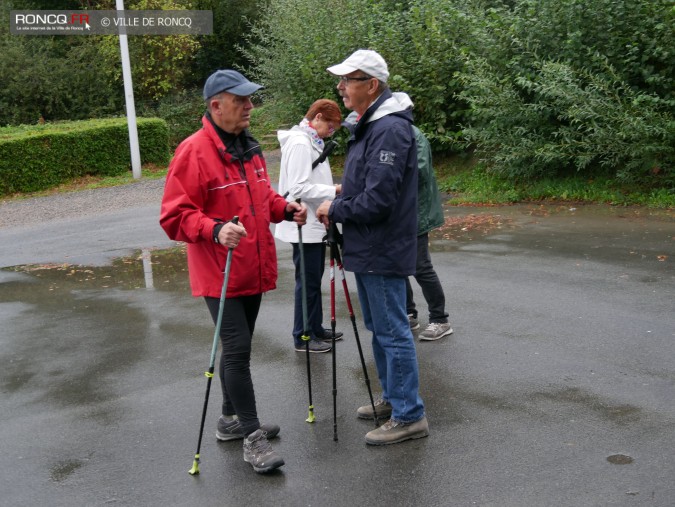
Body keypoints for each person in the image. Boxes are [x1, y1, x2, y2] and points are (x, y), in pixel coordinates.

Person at [159, 69, 307, 474]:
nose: (249, 106)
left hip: (251, 269)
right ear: (215, 105)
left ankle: (230, 419)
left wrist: (284, 208)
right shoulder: (193, 151)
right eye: (240, 100)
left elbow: (262, 197)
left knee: (237, 348)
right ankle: (252, 437)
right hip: (217, 272)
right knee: (238, 349)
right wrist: (213, 228)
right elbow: (174, 216)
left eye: (249, 99)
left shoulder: (249, 148)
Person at [316, 49, 429, 445]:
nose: (340, 86)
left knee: (393, 330)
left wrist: (336, 206)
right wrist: (344, 194)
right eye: (342, 79)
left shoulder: (388, 129)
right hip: (369, 245)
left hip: (381, 245)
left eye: (349, 79)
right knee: (379, 328)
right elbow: (368, 186)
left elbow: (379, 201)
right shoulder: (369, 123)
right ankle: (395, 399)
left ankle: (409, 415)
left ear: (372, 85)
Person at [275, 99, 344, 353]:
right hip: (302, 224)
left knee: (313, 281)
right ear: (316, 118)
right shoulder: (300, 143)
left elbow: (312, 181)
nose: (331, 131)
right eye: (330, 125)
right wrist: (335, 190)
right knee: (307, 281)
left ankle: (314, 327)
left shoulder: (312, 141)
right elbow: (298, 188)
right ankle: (302, 336)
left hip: (315, 222)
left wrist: (326, 205)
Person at [397, 95, 453, 341]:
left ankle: (440, 320)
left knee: (421, 267)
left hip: (416, 212)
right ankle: (409, 314)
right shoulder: (398, 135)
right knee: (399, 266)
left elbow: (418, 171)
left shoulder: (414, 135)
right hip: (399, 214)